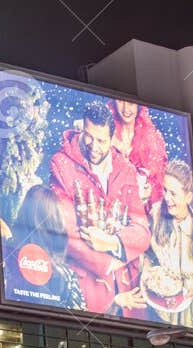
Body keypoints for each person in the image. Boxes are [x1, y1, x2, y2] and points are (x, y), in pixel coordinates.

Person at [46, 100, 151, 314]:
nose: (94, 146)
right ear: (82, 129)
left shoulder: (126, 169)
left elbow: (142, 231)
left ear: (112, 138)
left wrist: (112, 242)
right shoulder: (60, 163)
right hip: (86, 292)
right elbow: (66, 233)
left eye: (101, 140)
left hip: (128, 293)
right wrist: (108, 264)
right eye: (89, 136)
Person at [118, 160, 193, 329]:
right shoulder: (157, 212)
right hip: (160, 311)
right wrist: (149, 275)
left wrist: (191, 291)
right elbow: (144, 249)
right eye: (165, 190)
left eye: (173, 193)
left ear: (188, 197)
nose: (167, 198)